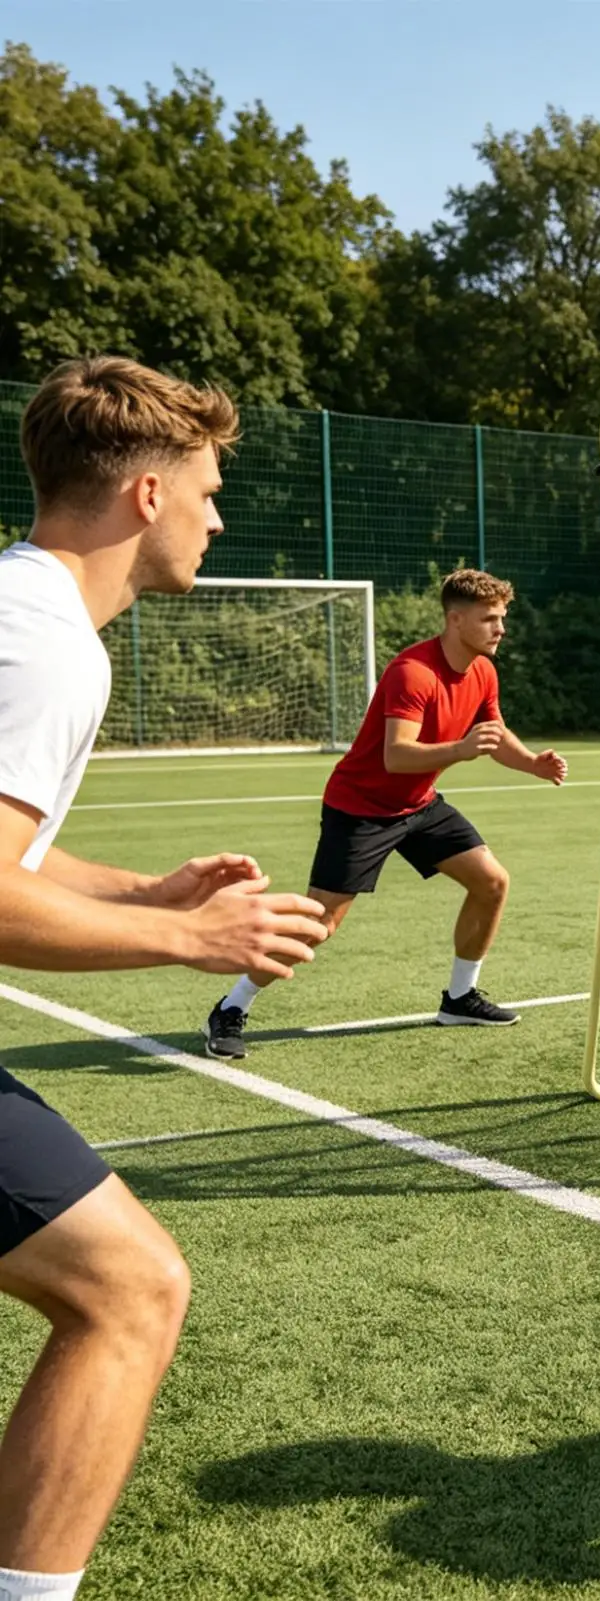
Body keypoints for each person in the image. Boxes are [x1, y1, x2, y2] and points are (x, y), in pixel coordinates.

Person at [0, 356, 330, 1601]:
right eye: (209, 488)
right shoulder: (43, 643)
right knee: (128, 1289)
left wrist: (143, 892)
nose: (217, 517)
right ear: (147, 494)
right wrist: (196, 942)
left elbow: (17, 855)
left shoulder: (23, 609)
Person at [204, 569, 568, 1058]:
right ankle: (231, 1007)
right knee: (319, 925)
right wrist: (460, 750)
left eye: (502, 618)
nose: (500, 628)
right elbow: (397, 755)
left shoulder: (483, 670)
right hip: (360, 809)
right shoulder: (412, 672)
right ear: (455, 620)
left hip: (418, 805)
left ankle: (460, 998)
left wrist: (531, 763)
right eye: (489, 619)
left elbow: (494, 733)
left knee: (491, 882)